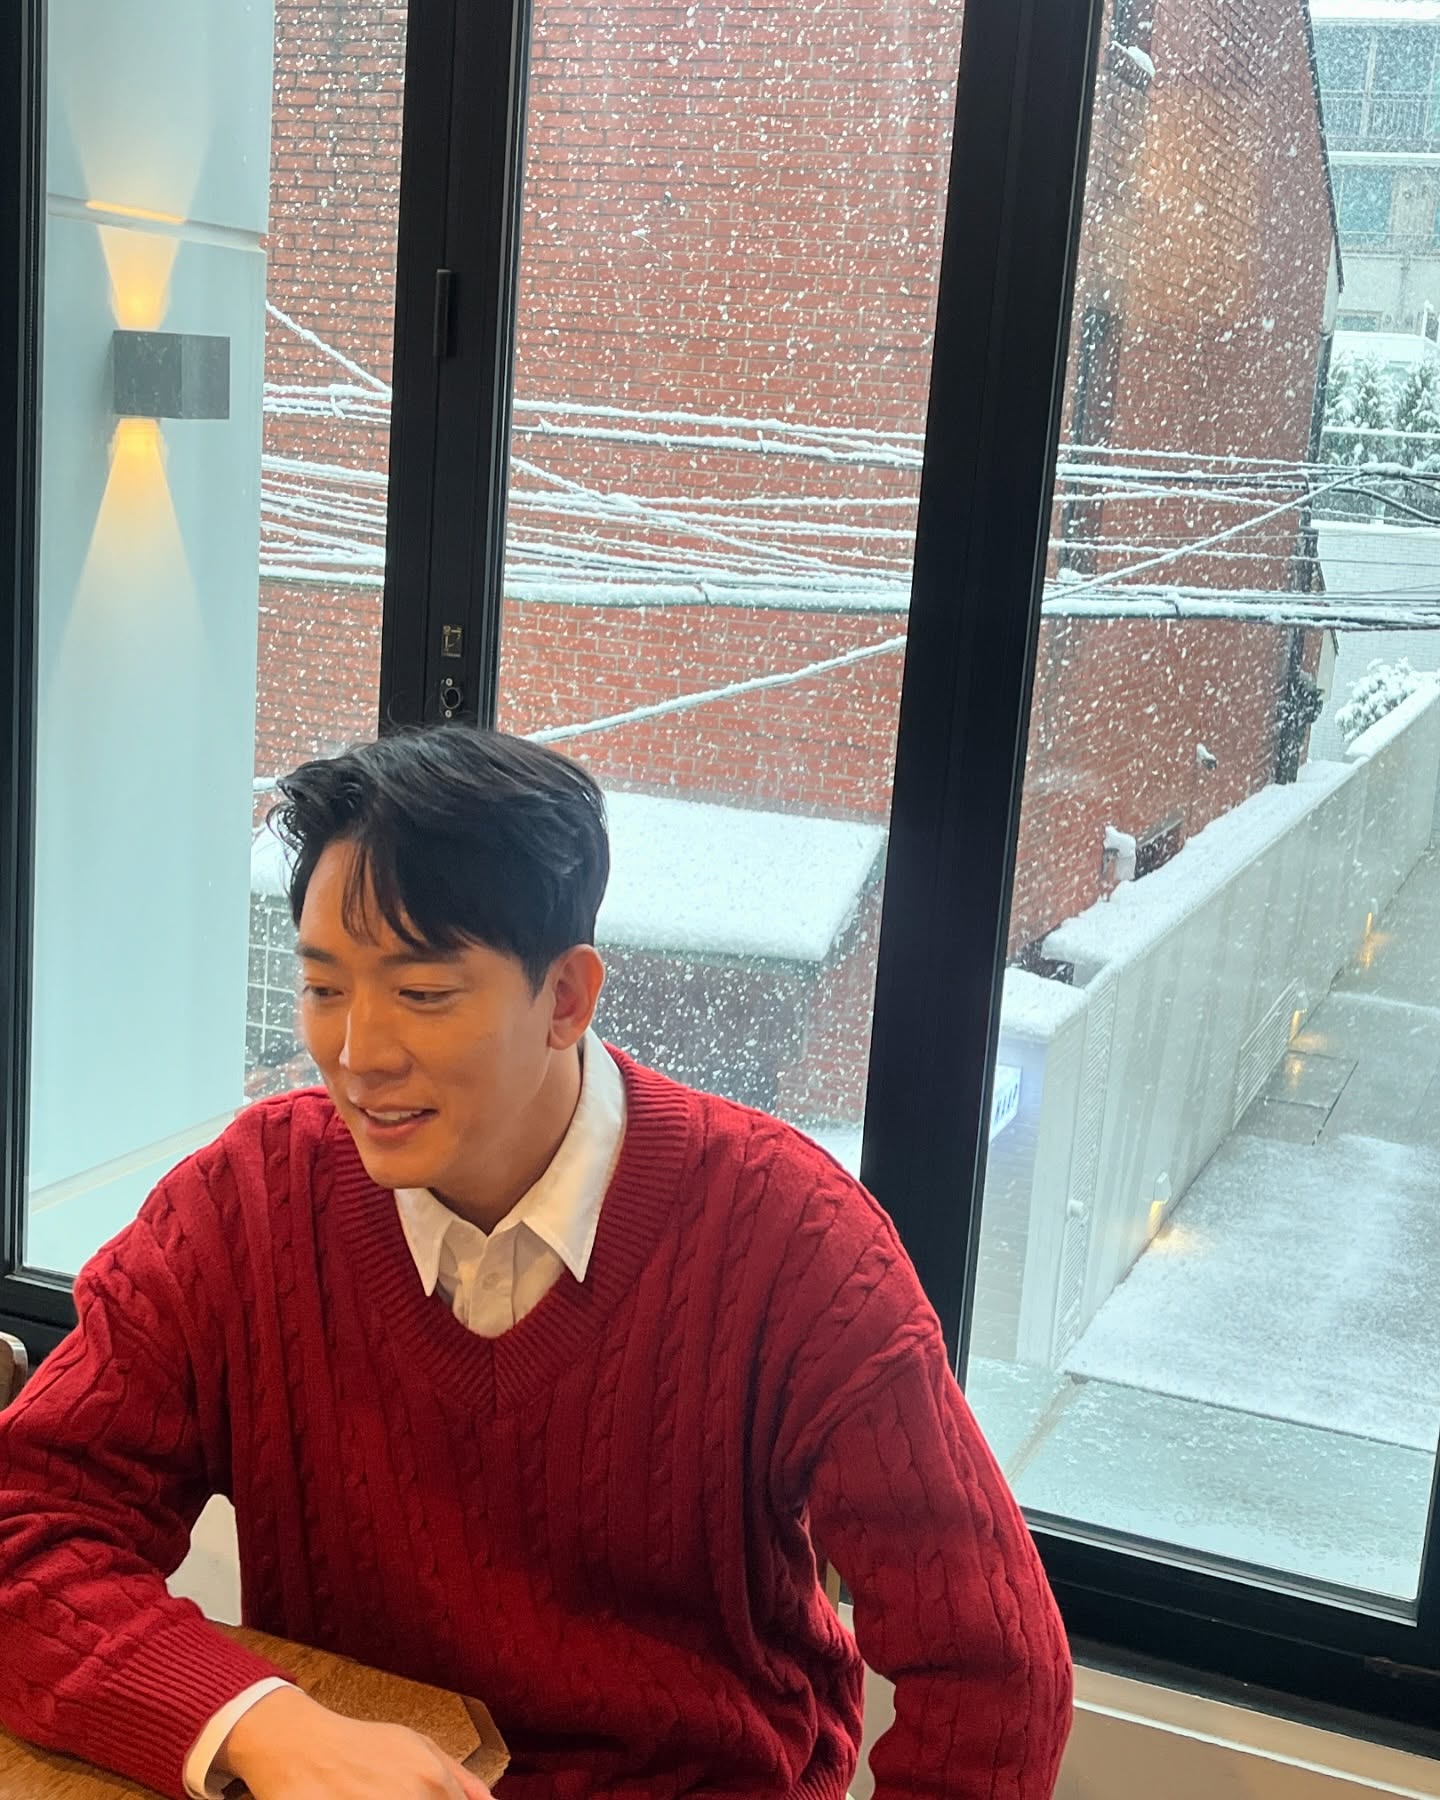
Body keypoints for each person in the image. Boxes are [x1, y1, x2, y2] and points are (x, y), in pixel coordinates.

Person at [0, 727, 1072, 1800]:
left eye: (423, 994)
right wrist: (263, 1725)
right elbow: (26, 1526)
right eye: (324, 989)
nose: (358, 1054)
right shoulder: (248, 1205)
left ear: (565, 997)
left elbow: (995, 1673)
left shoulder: (792, 1238)